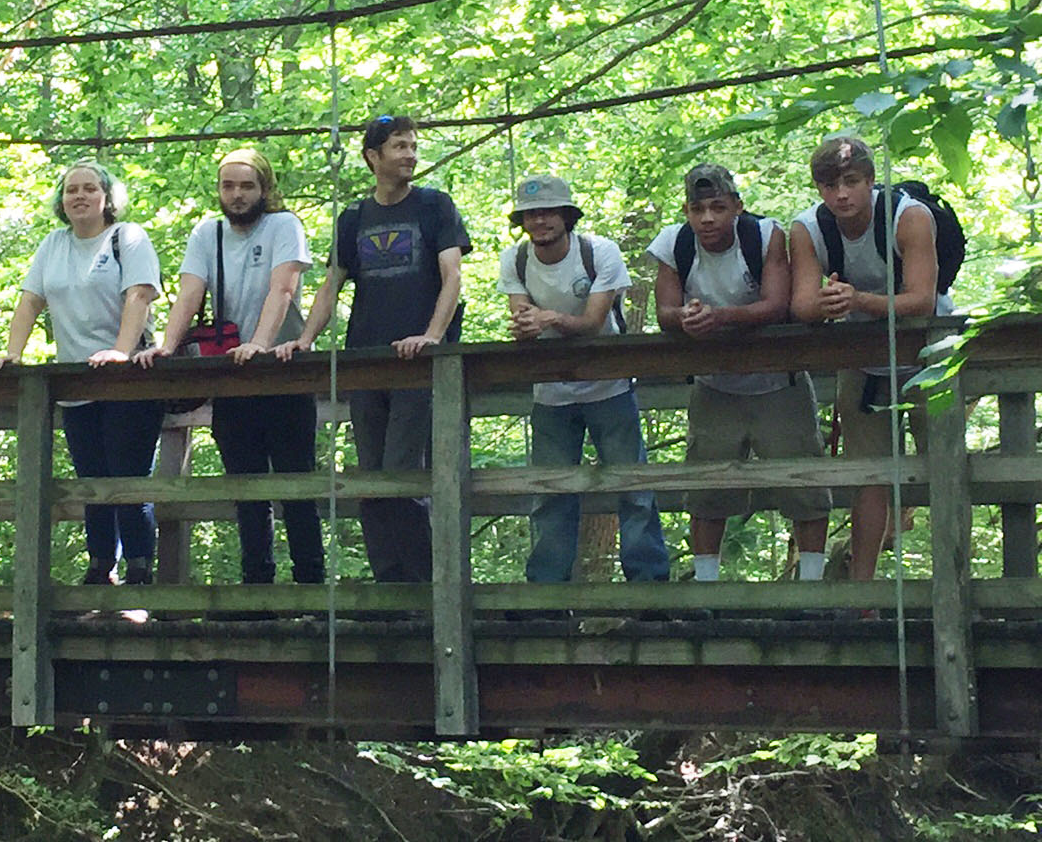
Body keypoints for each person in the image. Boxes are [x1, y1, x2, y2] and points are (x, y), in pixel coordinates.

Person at [273, 114, 470, 583]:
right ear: (372, 157)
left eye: (413, 146)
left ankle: (427, 588)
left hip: (418, 366)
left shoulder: (434, 207)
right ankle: (389, 587)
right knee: (370, 477)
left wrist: (434, 336)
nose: (410, 155)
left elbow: (453, 276)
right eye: (399, 147)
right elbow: (331, 286)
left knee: (405, 475)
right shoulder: (354, 219)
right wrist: (305, 339)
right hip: (366, 363)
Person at [136, 147, 324, 586]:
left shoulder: (284, 226)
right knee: (245, 487)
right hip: (232, 376)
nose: (237, 195)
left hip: (282, 370)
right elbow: (189, 294)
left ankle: (310, 585)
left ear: (264, 188)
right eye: (228, 186)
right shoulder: (208, 235)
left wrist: (259, 344)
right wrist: (167, 345)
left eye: (247, 186)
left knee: (297, 484)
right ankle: (256, 586)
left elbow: (283, 290)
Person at [648, 164, 829, 584]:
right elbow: (664, 310)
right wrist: (685, 318)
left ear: (737, 207)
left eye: (717, 207)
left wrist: (721, 317)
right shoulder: (673, 244)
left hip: (778, 382)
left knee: (804, 483)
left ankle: (814, 589)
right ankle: (707, 590)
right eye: (697, 209)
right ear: (687, 212)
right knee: (707, 488)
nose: (707, 218)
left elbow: (776, 304)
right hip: (714, 385)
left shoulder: (766, 236)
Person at [0, 159, 163, 587]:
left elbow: (139, 296)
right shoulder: (53, 244)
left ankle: (139, 568)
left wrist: (120, 353)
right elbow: (30, 301)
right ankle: (101, 567)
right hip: (76, 381)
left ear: (107, 198)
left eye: (88, 189)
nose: (79, 196)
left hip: (128, 380)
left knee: (126, 476)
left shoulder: (128, 238)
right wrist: (12, 352)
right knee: (90, 478)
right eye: (70, 190)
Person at [499, 174, 670, 585]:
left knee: (632, 485)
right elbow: (521, 315)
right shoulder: (515, 259)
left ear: (566, 216)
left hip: (608, 385)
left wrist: (549, 319)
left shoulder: (599, 252)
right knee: (551, 491)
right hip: (550, 391)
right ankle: (547, 592)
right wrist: (528, 324)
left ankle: (648, 586)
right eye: (531, 214)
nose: (540, 221)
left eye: (548, 212)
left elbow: (595, 321)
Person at [789, 136, 941, 583]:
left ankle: (954, 575)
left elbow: (923, 300)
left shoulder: (909, 217)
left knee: (944, 466)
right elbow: (801, 305)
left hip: (929, 358)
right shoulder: (808, 229)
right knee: (869, 475)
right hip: (862, 361)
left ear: (871, 181)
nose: (841, 195)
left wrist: (859, 300)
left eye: (852, 182)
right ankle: (864, 592)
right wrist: (829, 303)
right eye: (830, 185)